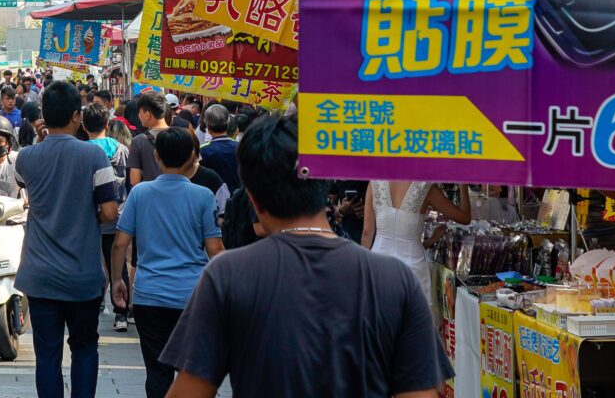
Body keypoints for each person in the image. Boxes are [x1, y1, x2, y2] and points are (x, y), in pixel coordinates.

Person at [161, 114, 445, 398]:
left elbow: (189, 392)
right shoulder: (396, 280)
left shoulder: (228, 275)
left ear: (253, 199)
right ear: (323, 188)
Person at [14, 81, 120, 398]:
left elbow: (26, 188)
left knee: (47, 355)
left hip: (40, 274)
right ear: (77, 116)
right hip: (82, 274)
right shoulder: (93, 157)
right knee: (85, 349)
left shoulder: (25, 158)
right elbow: (111, 211)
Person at [110, 128, 221, 398]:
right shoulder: (202, 196)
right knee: (191, 372)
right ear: (192, 157)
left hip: (150, 295)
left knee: (157, 372)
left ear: (157, 157)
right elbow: (215, 249)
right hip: (191, 297)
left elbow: (120, 243)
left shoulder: (140, 193)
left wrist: (117, 281)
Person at [363, 180, 470, 306]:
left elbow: (367, 232)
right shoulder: (426, 186)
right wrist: (463, 184)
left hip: (378, 264)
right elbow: (464, 217)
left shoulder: (375, 182)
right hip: (412, 267)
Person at [82, 105, 131, 330]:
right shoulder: (122, 149)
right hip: (121, 213)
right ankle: (122, 311)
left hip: (92, 217)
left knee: (91, 262)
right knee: (117, 265)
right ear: (107, 125)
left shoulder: (82, 152)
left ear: (83, 126)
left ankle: (93, 305)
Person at [128, 92, 168, 188]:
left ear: (147, 114)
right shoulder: (184, 135)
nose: (139, 115)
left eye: (139, 112)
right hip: (179, 195)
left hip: (151, 196)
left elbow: (134, 181)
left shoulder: (138, 141)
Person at [199, 106, 240, 194]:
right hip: (239, 199)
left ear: (207, 125)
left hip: (213, 200)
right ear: (228, 121)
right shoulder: (242, 147)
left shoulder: (203, 151)